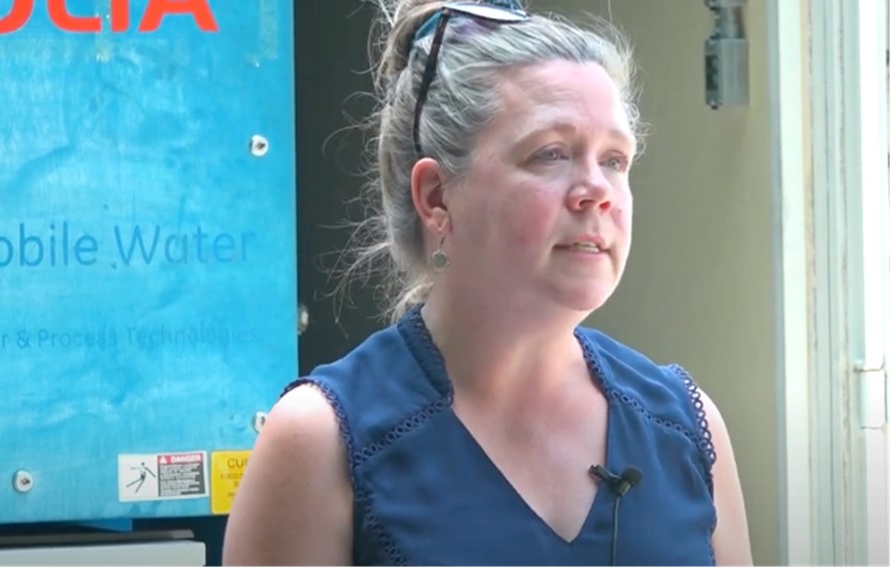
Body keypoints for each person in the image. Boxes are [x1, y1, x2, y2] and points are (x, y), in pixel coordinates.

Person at [222, 0, 753, 565]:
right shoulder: (324, 438)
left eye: (616, 160)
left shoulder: (686, 423)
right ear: (436, 197)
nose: (597, 189)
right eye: (550, 153)